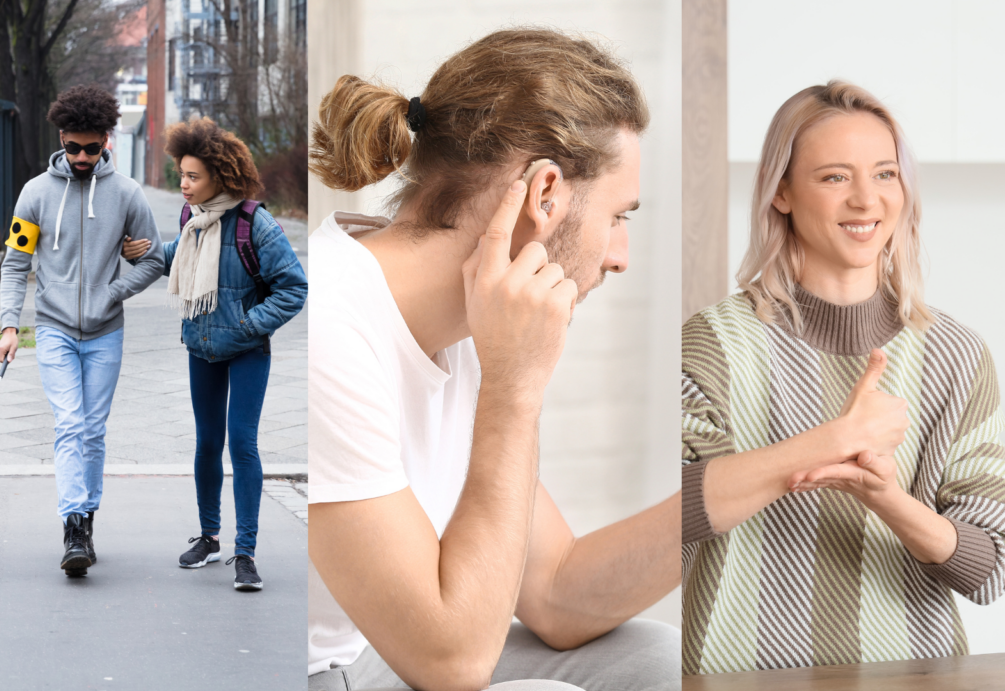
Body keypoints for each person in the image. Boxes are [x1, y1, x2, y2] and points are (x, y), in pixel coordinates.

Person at [307, 29, 681, 691]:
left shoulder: (479, 320)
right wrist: (515, 387)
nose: (620, 254)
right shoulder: (331, 325)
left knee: (659, 659)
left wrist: (762, 480)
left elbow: (555, 591)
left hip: (383, 657)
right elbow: (451, 661)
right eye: (620, 216)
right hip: (321, 672)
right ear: (545, 195)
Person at [682, 81, 1005, 675]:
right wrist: (825, 445)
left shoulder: (956, 356)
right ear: (781, 192)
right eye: (834, 177)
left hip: (915, 676)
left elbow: (989, 569)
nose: (866, 200)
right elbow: (670, 522)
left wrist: (887, 499)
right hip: (739, 676)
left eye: (885, 174)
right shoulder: (713, 345)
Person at [124, 117, 306, 591]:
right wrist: (147, 251)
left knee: (241, 443)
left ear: (220, 177)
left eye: (192, 177)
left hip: (246, 349)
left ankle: (245, 552)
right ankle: (209, 537)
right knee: (208, 443)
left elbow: (293, 288)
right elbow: (186, 257)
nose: (182, 185)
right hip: (201, 347)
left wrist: (248, 326)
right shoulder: (192, 220)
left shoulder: (254, 224)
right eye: (181, 175)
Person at [0, 84, 165, 576]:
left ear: (106, 141)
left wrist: (115, 291)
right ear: (62, 138)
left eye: (94, 147)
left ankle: (86, 518)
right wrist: (10, 325)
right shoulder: (35, 193)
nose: (83, 156)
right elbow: (14, 264)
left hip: (106, 330)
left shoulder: (128, 194)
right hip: (53, 329)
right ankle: (72, 524)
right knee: (69, 424)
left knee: (93, 430)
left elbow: (153, 259)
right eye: (74, 147)